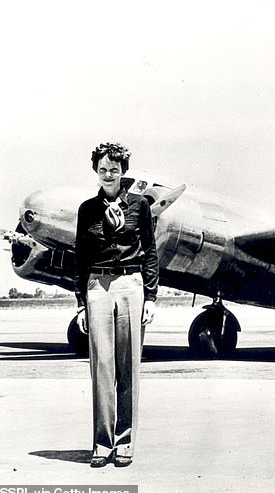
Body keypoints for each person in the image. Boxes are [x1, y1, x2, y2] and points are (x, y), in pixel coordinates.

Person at [74, 142, 159, 468]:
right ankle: (101, 444)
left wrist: (150, 297)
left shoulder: (140, 206)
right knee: (102, 370)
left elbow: (150, 253)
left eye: (114, 169)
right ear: (96, 171)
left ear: (123, 171)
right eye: (102, 169)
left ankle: (124, 444)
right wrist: (81, 302)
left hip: (130, 285)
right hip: (97, 286)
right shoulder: (87, 210)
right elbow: (80, 258)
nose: (108, 174)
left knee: (128, 370)